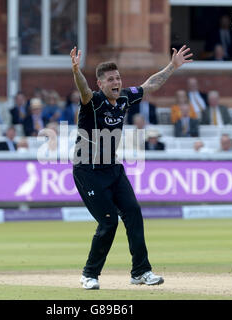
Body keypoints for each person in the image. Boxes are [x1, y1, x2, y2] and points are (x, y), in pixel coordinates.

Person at [70, 44, 193, 290]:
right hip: (87, 170)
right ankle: (89, 274)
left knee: (133, 213)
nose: (116, 82)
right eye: (110, 79)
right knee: (108, 222)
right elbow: (83, 90)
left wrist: (172, 66)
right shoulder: (92, 101)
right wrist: (76, 70)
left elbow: (150, 85)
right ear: (100, 84)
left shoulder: (125, 96)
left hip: (113, 169)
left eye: (118, 78)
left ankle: (141, 271)